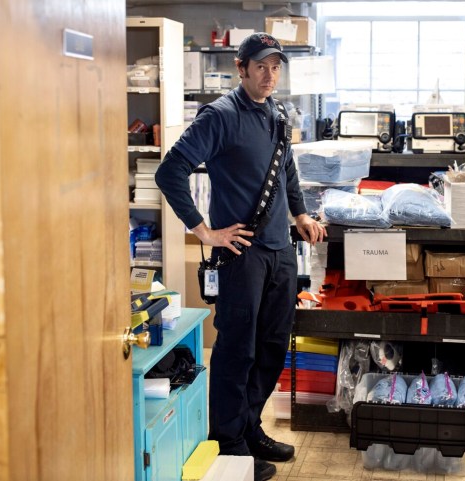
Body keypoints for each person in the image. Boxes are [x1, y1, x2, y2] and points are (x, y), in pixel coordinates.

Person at [155, 32, 326, 481]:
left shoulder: (276, 111)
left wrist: (301, 215)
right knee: (236, 351)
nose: (270, 76)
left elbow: (285, 166)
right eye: (261, 67)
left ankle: (250, 428)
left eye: (276, 68)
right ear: (241, 67)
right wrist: (203, 231)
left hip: (279, 253)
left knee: (271, 348)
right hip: (241, 255)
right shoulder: (220, 116)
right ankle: (228, 443)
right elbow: (170, 170)